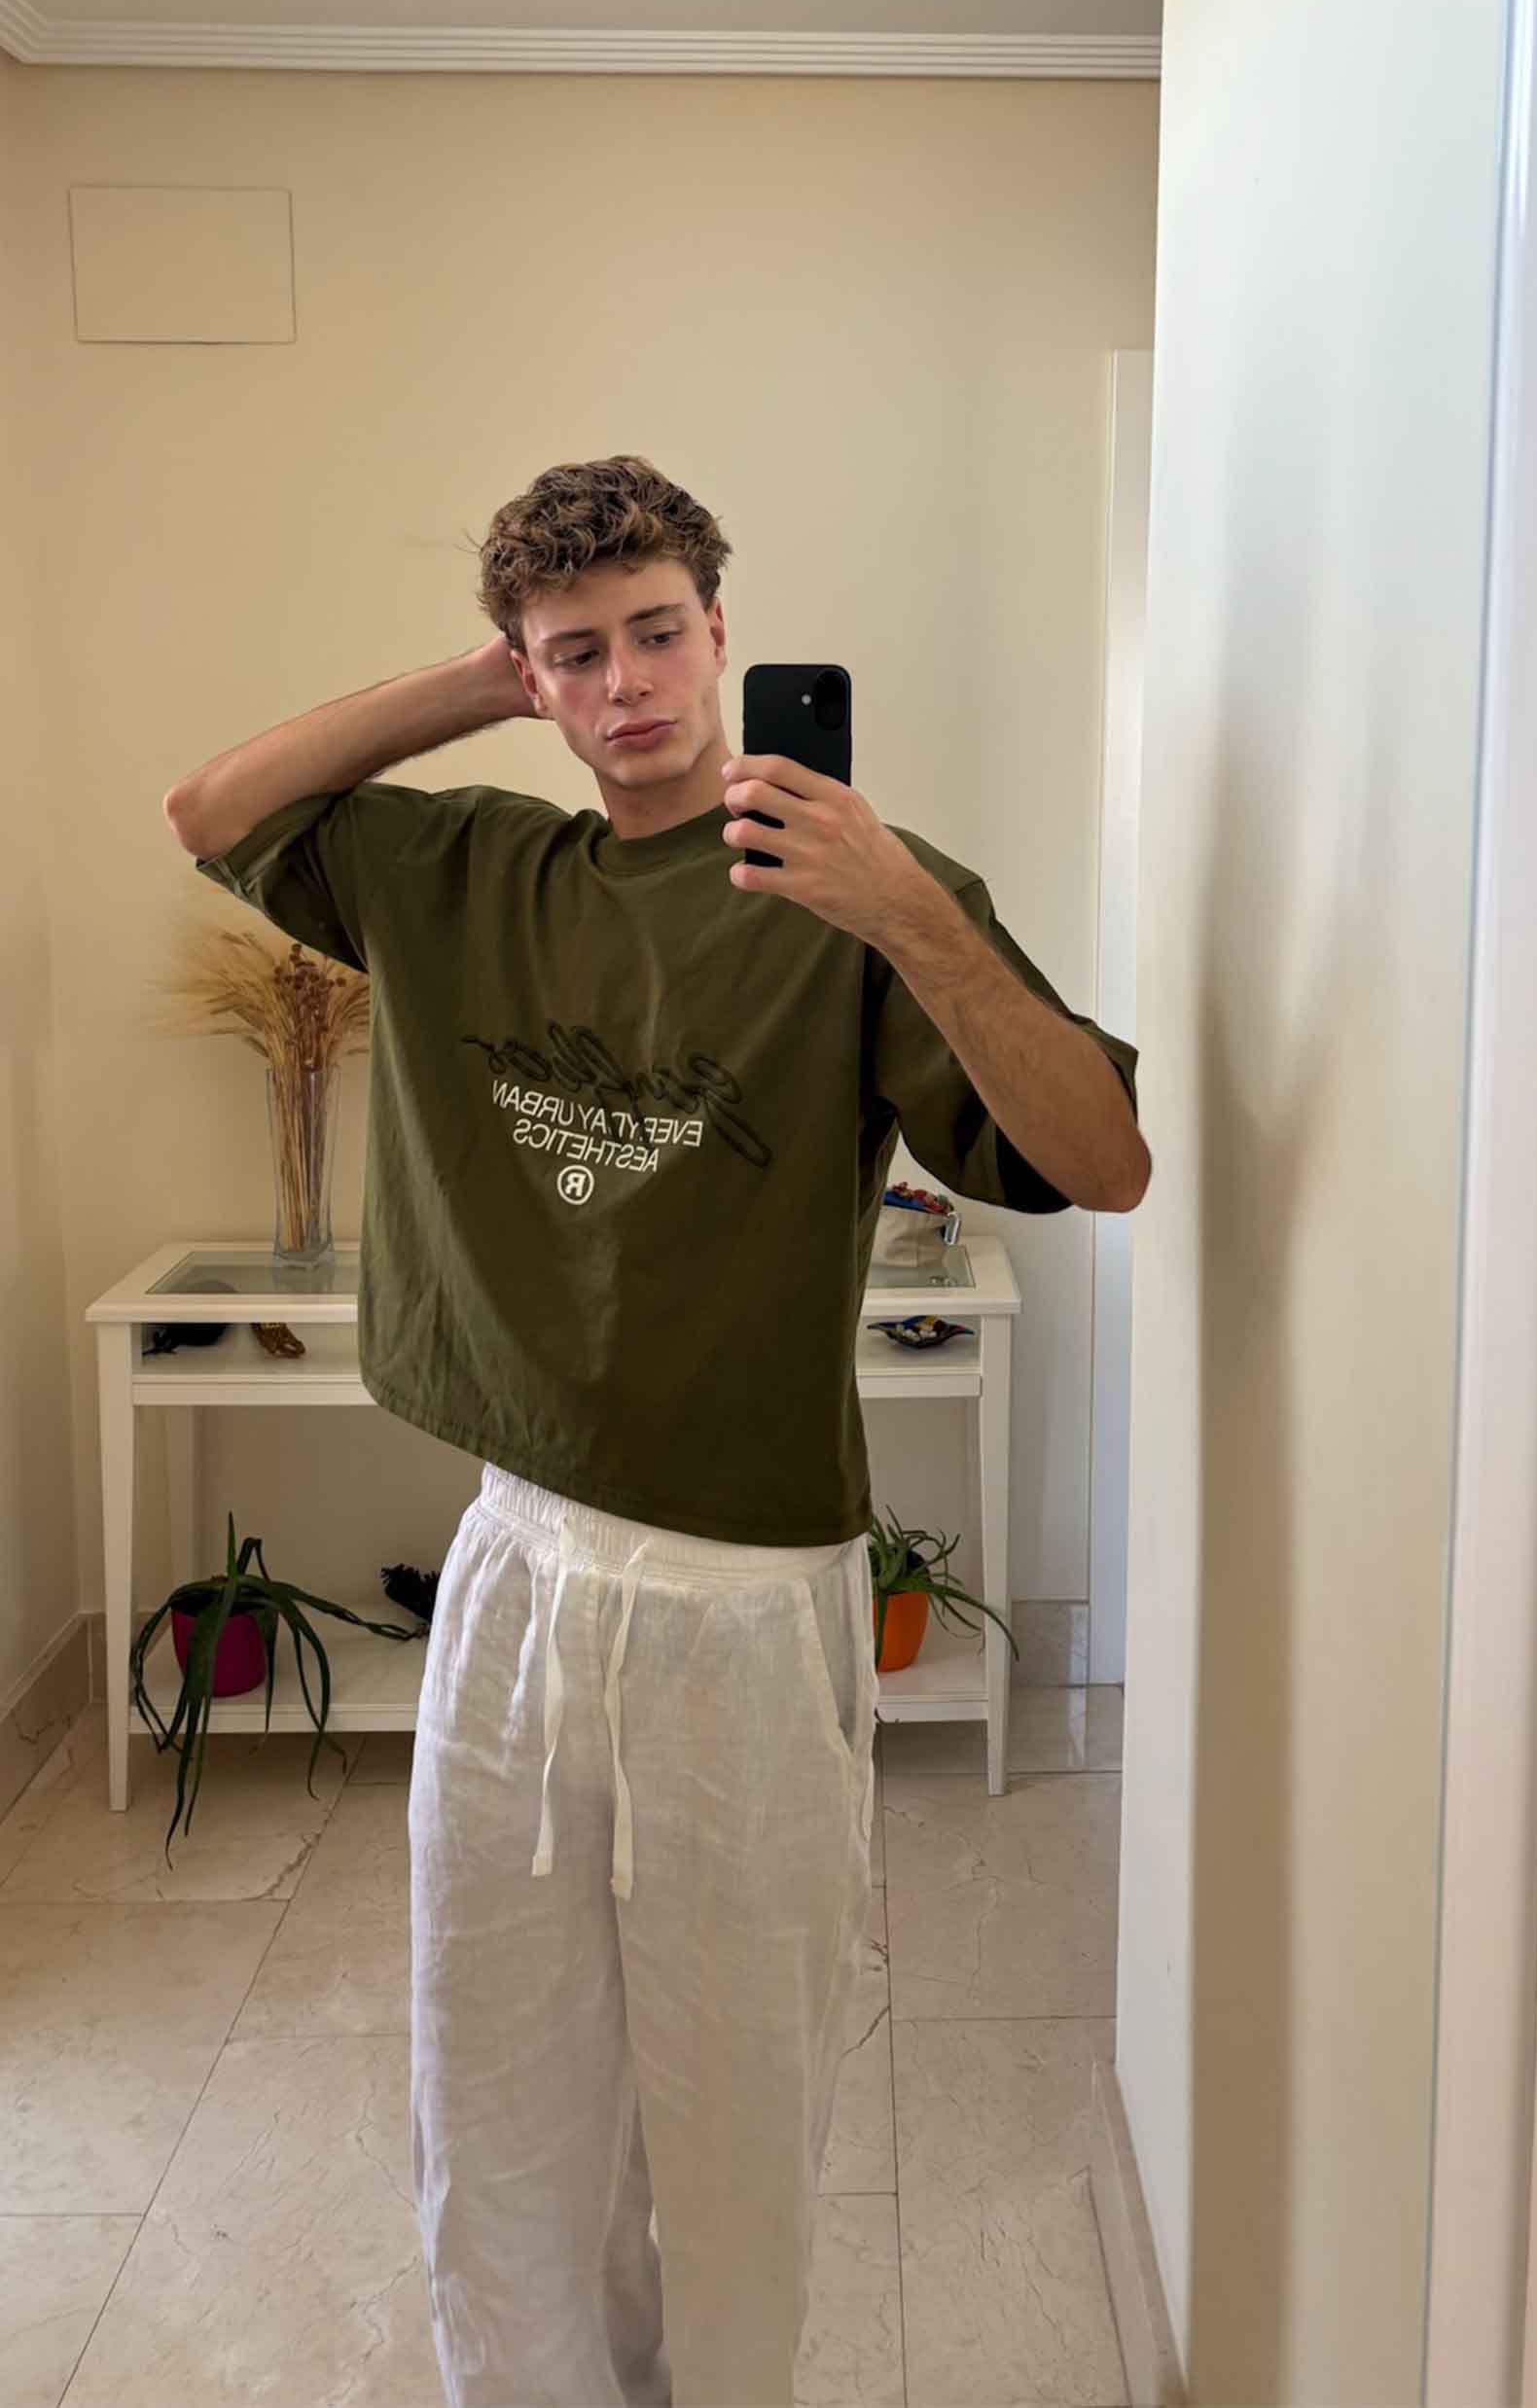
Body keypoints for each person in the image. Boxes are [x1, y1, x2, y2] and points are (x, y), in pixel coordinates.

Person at [165, 453, 1148, 2408]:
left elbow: (1101, 1158)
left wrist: (906, 914)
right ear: (531, 674)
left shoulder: (854, 885)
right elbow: (212, 810)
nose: (626, 685)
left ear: (721, 630)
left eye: (658, 634)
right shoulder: (468, 874)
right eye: (576, 654)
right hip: (520, 1559)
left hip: (747, 1590)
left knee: (733, 2106)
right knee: (499, 2090)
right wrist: (481, 680)